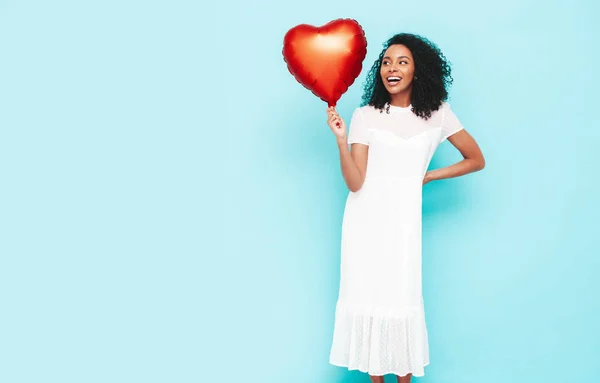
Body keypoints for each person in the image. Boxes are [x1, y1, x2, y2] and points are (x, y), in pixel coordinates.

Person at [326, 33, 485, 383]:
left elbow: (476, 159)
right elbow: (355, 182)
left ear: (418, 70)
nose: (392, 68)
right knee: (369, 301)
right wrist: (341, 140)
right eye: (386, 62)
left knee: (400, 304)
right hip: (363, 223)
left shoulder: (439, 114)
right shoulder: (365, 115)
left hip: (403, 223)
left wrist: (428, 177)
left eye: (402, 61)